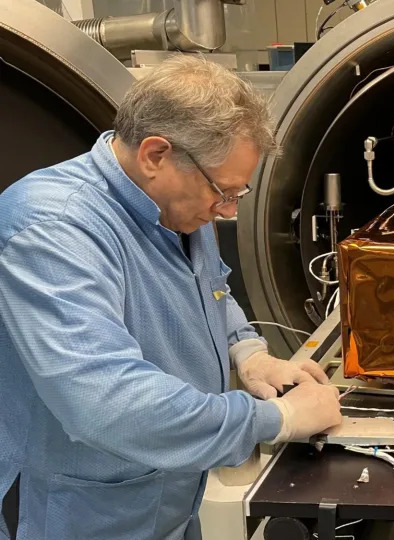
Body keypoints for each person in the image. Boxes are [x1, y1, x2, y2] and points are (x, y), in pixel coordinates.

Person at [0, 56, 341, 540]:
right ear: (156, 154)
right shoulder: (53, 229)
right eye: (223, 192)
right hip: (73, 511)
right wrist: (277, 418)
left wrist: (249, 353)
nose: (225, 211)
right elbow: (108, 402)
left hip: (166, 499)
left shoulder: (174, 205)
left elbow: (210, 287)